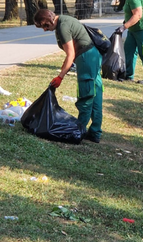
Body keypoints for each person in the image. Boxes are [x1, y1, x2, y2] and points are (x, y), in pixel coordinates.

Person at [34, 9, 103, 143]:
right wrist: (64, 65)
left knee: (86, 95)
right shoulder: (63, 21)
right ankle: (95, 132)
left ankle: (79, 132)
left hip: (86, 58)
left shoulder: (62, 27)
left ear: (50, 19)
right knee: (95, 96)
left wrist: (60, 77)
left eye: (45, 25)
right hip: (92, 56)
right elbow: (69, 54)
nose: (44, 29)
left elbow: (71, 54)